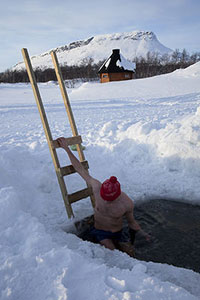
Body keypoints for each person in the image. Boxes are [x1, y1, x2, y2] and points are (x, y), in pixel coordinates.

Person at [57, 137, 150, 257]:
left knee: (130, 254)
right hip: (100, 232)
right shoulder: (96, 187)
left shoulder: (126, 203)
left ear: (117, 195)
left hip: (118, 233)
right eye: (104, 196)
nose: (105, 200)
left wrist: (144, 234)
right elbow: (80, 169)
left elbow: (132, 222)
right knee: (112, 253)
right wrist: (67, 149)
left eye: (109, 198)